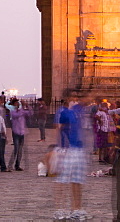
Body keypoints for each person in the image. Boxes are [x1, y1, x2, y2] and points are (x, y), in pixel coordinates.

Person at [52, 91, 90, 222]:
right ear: (68, 99)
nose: (76, 100)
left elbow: (88, 99)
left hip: (78, 148)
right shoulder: (62, 112)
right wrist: (59, 148)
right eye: (74, 97)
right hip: (66, 149)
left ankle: (76, 209)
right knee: (62, 180)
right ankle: (60, 209)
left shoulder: (75, 111)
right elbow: (58, 128)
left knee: (77, 179)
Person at [7, 98, 31, 171]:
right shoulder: (12, 112)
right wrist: (23, 109)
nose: (17, 104)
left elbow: (30, 113)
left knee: (20, 150)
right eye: (16, 103)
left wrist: (27, 105)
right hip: (16, 132)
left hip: (22, 132)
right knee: (16, 149)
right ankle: (10, 165)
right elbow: (16, 115)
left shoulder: (22, 111)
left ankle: (17, 165)